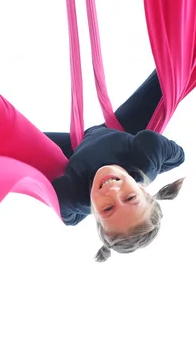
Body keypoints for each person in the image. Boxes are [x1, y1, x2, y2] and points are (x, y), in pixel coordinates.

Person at [45, 70, 185, 261]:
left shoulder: (73, 196)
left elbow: (68, 218)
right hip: (123, 129)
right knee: (170, 75)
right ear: (144, 191)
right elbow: (179, 158)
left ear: (95, 214)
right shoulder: (146, 155)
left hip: (71, 152)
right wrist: (149, 172)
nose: (113, 192)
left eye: (108, 209)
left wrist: (91, 202)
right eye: (130, 197)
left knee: (2, 139)